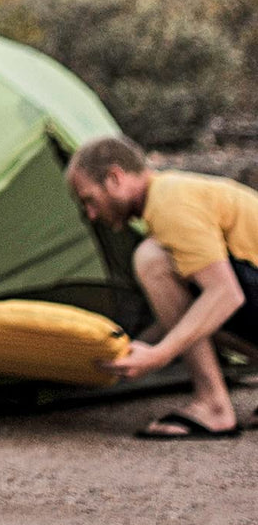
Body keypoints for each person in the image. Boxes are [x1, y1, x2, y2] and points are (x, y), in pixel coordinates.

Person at [66, 135, 258, 439]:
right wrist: (128, 348)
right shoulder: (172, 193)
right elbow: (184, 312)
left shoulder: (169, 200)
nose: (91, 214)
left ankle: (214, 406)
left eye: (89, 199)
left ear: (115, 177)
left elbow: (225, 294)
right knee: (192, 309)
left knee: (151, 258)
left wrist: (158, 355)